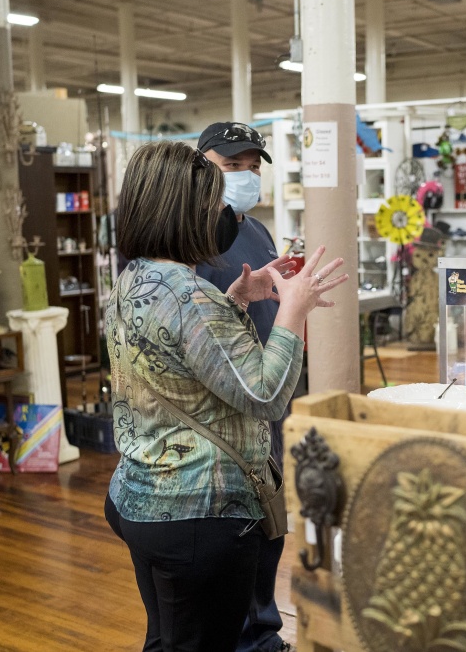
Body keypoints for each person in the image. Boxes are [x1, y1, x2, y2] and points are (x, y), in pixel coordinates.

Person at [103, 140, 347, 651]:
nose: (223, 215)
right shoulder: (190, 296)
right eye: (213, 204)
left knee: (168, 640)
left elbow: (178, 363)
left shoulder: (135, 279)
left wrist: (235, 297)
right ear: (185, 211)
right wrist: (292, 311)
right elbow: (266, 395)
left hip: (141, 497)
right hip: (198, 512)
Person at [193, 122, 296, 652]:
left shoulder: (254, 231)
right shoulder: (184, 241)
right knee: (227, 534)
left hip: (266, 399)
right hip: (214, 412)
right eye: (232, 166)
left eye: (252, 168)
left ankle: (262, 634)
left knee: (267, 525)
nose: (245, 177)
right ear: (199, 165)